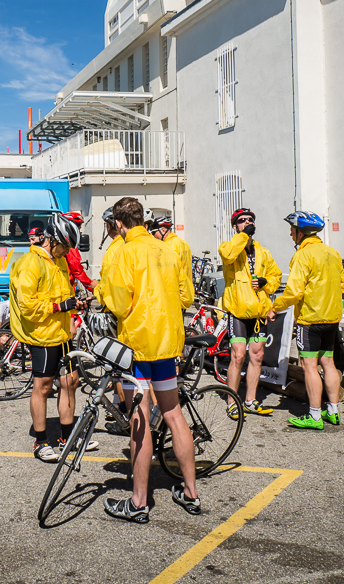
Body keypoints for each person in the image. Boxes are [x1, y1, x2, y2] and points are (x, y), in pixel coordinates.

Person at [97, 197, 199, 523]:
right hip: (168, 343)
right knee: (173, 414)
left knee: (139, 420)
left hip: (138, 347)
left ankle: (139, 502)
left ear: (120, 224)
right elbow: (187, 296)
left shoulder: (124, 251)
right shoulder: (167, 249)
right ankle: (191, 492)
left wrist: (101, 292)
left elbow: (117, 302)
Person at [10, 214, 96, 462]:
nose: (68, 251)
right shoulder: (31, 263)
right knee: (44, 386)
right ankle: (41, 442)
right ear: (52, 240)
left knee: (70, 382)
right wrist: (59, 307)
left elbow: (64, 296)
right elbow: (28, 305)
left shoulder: (58, 261)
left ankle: (68, 436)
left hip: (61, 335)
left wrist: (74, 306)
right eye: (66, 246)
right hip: (42, 336)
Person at [270, 211, 344, 430]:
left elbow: (293, 292)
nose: (290, 234)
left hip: (310, 319)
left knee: (309, 366)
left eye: (292, 230)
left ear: (300, 232)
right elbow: (342, 286)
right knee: (328, 363)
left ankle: (314, 415)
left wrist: (275, 307)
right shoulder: (333, 253)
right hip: (331, 317)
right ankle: (333, 410)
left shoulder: (302, 255)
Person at [218, 208, 282, 417]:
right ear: (235, 226)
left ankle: (250, 401)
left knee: (257, 356)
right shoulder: (230, 247)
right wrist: (244, 235)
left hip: (257, 311)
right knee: (238, 356)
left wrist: (266, 282)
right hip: (237, 310)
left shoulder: (263, 252)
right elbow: (227, 255)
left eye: (250, 220)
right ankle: (232, 401)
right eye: (242, 221)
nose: (247, 222)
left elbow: (276, 275)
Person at [92, 207, 124, 305]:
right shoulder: (131, 244)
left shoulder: (112, 251)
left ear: (109, 226)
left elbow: (108, 289)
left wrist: (96, 287)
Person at [60, 211, 93, 293]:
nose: (79, 231)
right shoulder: (69, 244)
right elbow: (77, 270)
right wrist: (92, 287)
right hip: (65, 287)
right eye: (78, 228)